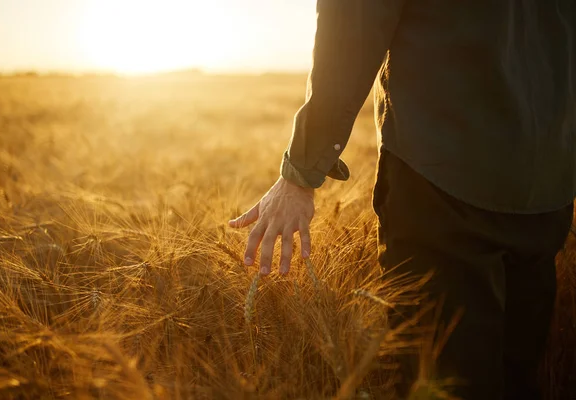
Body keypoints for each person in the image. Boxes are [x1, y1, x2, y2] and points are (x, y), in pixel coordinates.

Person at [228, 1, 576, 398]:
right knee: (519, 379)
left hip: (442, 180)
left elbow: (354, 25)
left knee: (441, 382)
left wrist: (300, 174)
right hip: (548, 186)